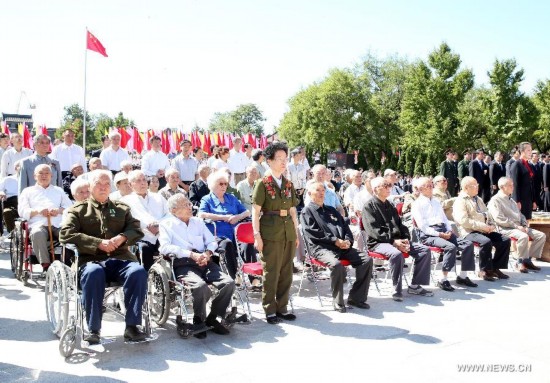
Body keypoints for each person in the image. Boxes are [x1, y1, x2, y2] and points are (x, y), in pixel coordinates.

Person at [60, 169, 148, 344]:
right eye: (98, 184)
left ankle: (132, 326)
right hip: (91, 260)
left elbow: (136, 229)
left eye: (107, 184)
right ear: (90, 187)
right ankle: (93, 329)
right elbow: (66, 234)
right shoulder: (78, 210)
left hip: (120, 259)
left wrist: (122, 237)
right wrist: (97, 243)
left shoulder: (122, 208)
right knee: (93, 273)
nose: (103, 187)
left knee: (138, 271)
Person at [159, 194, 235, 338]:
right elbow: (164, 247)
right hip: (184, 263)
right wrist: (190, 254)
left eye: (189, 204)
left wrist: (207, 253)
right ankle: (199, 319)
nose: (190, 207)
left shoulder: (198, 222)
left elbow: (212, 241)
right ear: (174, 210)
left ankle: (213, 318)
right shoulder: (166, 224)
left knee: (229, 283)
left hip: (205, 261)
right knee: (200, 287)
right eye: (186, 205)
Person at [301, 182, 373, 312]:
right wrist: (335, 241)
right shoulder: (307, 211)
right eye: (317, 190)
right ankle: (338, 301)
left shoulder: (331, 210)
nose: (322, 193)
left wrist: (347, 240)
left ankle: (356, 298)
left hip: (341, 246)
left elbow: (345, 226)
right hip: (321, 248)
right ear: (310, 193)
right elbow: (313, 233)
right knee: (337, 265)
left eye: (323, 190)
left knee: (366, 260)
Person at [362, 177, 433, 302]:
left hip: (397, 240)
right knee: (396, 254)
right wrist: (394, 242)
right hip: (379, 242)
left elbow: (401, 225)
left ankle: (415, 285)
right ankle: (397, 289)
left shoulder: (389, 205)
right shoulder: (369, 207)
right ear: (375, 190)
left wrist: (405, 239)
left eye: (389, 185)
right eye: (385, 185)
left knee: (424, 250)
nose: (388, 187)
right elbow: (374, 231)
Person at [252, 141, 299, 324]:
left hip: (288, 231)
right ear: (269, 161)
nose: (283, 162)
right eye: (279, 158)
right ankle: (269, 309)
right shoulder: (262, 184)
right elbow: (255, 211)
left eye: (285, 158)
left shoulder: (288, 184)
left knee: (287, 271)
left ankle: (282, 307)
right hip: (270, 232)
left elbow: (293, 210)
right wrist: (257, 236)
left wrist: (295, 233)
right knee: (271, 272)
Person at [411, 177, 477, 291]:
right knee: (450, 246)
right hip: (429, 235)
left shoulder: (436, 202)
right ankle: (443, 279)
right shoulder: (417, 204)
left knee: (468, 244)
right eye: (428, 186)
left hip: (443, 230)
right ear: (421, 189)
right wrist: (439, 234)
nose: (431, 187)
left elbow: (444, 219)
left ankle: (462, 276)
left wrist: (449, 230)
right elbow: (423, 227)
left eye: (431, 184)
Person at [453, 176, 511, 281]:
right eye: (475, 185)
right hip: (469, 232)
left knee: (505, 240)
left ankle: (495, 267)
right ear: (466, 188)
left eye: (477, 185)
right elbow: (463, 221)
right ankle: (484, 270)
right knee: (486, 242)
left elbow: (487, 213)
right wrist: (483, 226)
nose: (477, 187)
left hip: (483, 230)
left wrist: (491, 224)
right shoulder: (460, 201)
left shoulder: (478, 199)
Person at [18, 164, 73, 273]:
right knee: (37, 234)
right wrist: (38, 211)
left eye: (47, 173)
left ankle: (67, 263)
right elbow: (22, 211)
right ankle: (46, 265)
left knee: (70, 234)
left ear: (51, 175)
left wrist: (58, 210)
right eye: (41, 173)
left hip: (58, 223)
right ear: (35, 176)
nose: (44, 176)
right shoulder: (27, 191)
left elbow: (70, 207)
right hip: (38, 224)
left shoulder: (59, 190)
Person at [198, 170, 250, 279]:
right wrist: (223, 217)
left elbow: (247, 212)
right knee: (227, 244)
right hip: (218, 234)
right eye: (220, 184)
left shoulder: (231, 197)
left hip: (235, 232)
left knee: (247, 243)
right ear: (213, 185)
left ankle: (253, 277)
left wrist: (237, 217)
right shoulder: (207, 199)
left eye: (225, 183)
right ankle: (235, 276)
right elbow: (201, 214)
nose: (224, 186)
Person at [487, 177, 545, 273]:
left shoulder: (511, 200)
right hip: (504, 228)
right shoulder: (495, 200)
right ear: (502, 187)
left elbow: (520, 215)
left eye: (512, 185)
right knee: (523, 236)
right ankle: (519, 261)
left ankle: (527, 260)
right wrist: (517, 226)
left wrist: (524, 225)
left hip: (519, 227)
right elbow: (499, 219)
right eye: (510, 185)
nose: (512, 187)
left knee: (541, 235)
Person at [121, 170, 168, 271]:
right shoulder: (125, 201)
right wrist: (146, 226)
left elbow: (168, 214)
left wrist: (158, 225)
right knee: (144, 249)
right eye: (138, 181)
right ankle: (148, 279)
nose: (142, 183)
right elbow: (129, 219)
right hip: (141, 236)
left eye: (144, 180)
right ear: (130, 184)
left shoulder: (159, 197)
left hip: (162, 233)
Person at [510, 142, 536, 220]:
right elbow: (514, 184)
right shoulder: (516, 165)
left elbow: (531, 183)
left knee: (527, 221)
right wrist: (516, 201)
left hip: (528, 199)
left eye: (531, 150)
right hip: (521, 200)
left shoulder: (529, 165)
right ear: (522, 152)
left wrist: (534, 200)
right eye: (528, 150)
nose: (530, 153)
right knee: (521, 222)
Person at [0, 160, 22, 234]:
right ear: (15, 168)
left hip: (25, 202)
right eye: (19, 166)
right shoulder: (7, 179)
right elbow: (0, 189)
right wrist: (2, 193)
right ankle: (12, 233)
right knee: (7, 212)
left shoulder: (32, 180)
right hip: (11, 202)